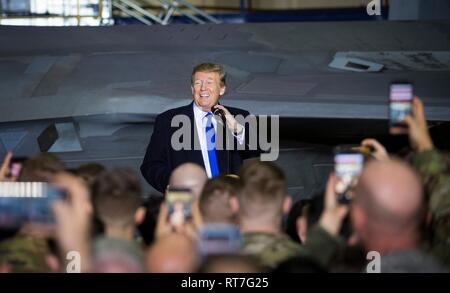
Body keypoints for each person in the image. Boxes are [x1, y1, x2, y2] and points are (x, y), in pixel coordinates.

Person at [141, 63, 255, 193]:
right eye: (198, 83)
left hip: (229, 199)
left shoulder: (238, 116)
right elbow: (151, 165)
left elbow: (259, 149)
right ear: (192, 89)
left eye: (209, 82)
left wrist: (236, 129)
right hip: (189, 200)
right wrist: (172, 183)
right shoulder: (167, 121)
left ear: (222, 89)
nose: (203, 88)